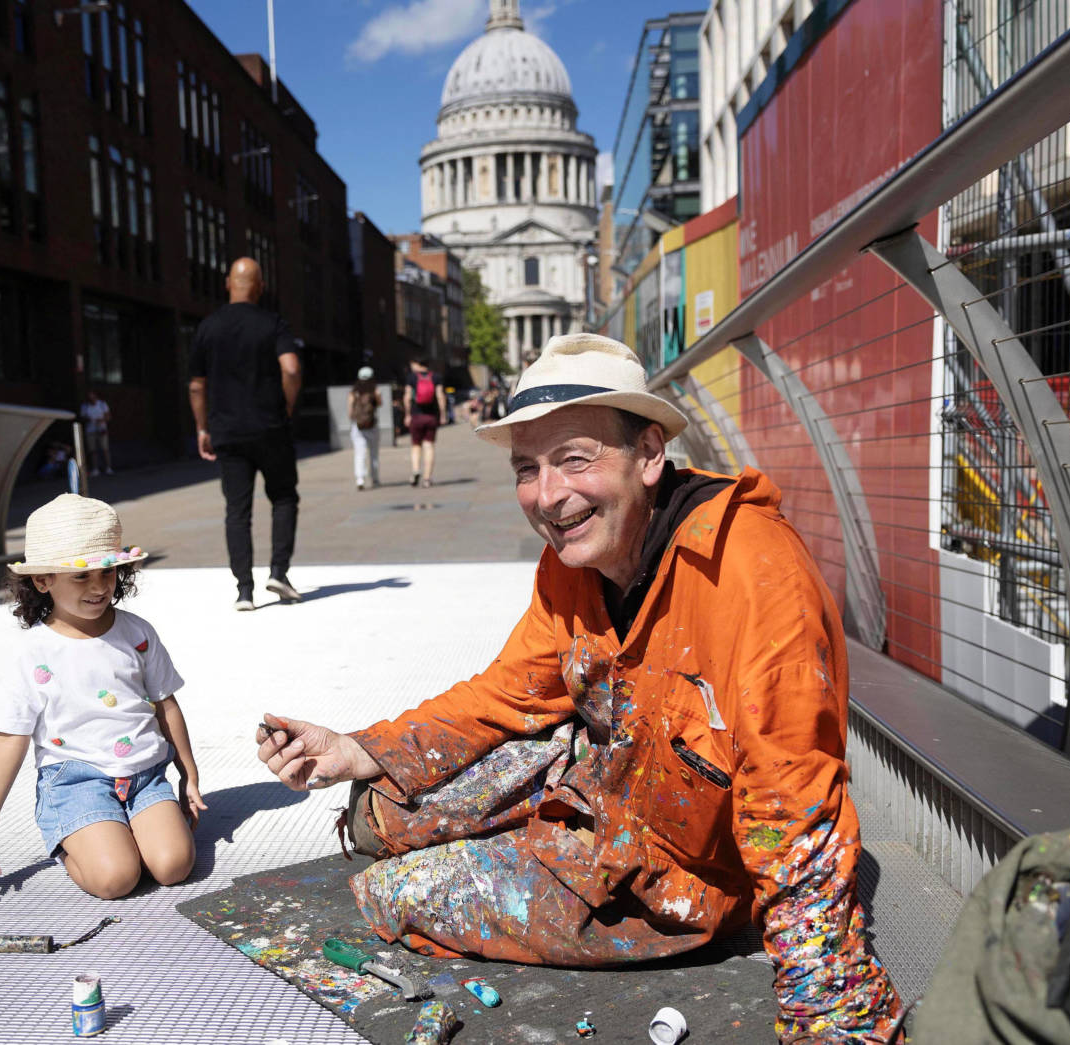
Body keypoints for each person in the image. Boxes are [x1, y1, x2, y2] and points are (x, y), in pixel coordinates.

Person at [257, 333, 902, 1043]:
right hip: (606, 788)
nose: (548, 496)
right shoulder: (574, 564)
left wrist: (833, 1020)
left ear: (650, 453)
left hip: (674, 880)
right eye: (527, 468)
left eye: (574, 459)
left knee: (392, 892)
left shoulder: (753, 575)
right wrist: (357, 747)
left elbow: (794, 816)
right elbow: (506, 693)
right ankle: (446, 817)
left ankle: (510, 856)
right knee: (378, 811)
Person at [0, 493, 206, 900]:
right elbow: (11, 736)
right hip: (75, 780)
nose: (99, 585)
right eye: (81, 576)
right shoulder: (34, 652)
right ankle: (72, 837)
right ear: (43, 581)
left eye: (108, 572)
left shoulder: (137, 633)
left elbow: (165, 704)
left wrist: (188, 773)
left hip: (146, 775)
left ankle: (123, 828)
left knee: (173, 867)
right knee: (116, 879)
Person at [189, 257, 304, 612]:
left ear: (228, 283)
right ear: (260, 286)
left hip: (226, 430)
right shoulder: (272, 324)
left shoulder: (208, 327)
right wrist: (286, 406)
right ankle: (279, 574)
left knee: (237, 511)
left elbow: (196, 385)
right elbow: (291, 367)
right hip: (270, 427)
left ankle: (244, 591)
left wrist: (202, 427)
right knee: (283, 497)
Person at [403, 358, 446, 488]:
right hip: (431, 417)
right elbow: (440, 396)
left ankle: (416, 470)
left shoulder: (411, 378)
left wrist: (407, 414)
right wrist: (443, 415)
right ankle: (427, 479)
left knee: (416, 446)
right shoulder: (436, 377)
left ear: (417, 365)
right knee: (429, 447)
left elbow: (407, 397)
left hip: (416, 416)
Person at [347, 366, 382, 491]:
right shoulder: (374, 389)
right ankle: (375, 478)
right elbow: (379, 403)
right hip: (372, 424)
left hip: (358, 426)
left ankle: (360, 479)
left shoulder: (354, 391)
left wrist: (355, 418)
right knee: (374, 453)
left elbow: (350, 410)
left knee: (359, 453)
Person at [79, 390, 113, 476]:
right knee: (92, 450)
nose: (91, 399)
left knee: (105, 449)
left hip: (101, 429)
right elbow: (82, 418)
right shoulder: (85, 406)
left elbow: (108, 416)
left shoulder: (102, 404)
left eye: (93, 397)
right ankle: (95, 468)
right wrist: (88, 419)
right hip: (90, 430)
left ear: (96, 396)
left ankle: (108, 468)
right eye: (89, 397)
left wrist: (101, 420)